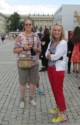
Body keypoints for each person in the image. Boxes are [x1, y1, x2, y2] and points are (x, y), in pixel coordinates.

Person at [13, 17, 41, 108]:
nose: (28, 26)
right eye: (26, 24)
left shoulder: (36, 36)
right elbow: (15, 50)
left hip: (34, 63)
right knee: (23, 82)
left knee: (32, 82)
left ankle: (31, 99)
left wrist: (37, 49)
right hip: (23, 62)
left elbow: (40, 50)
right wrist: (23, 48)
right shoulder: (20, 36)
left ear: (32, 25)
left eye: (30, 24)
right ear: (24, 26)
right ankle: (22, 100)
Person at [45, 23, 68, 123]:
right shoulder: (52, 41)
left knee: (58, 91)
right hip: (50, 68)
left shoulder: (63, 42)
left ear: (61, 31)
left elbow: (56, 56)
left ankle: (63, 114)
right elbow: (46, 53)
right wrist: (49, 55)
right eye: (55, 30)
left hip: (58, 69)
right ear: (52, 31)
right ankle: (58, 106)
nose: (56, 32)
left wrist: (50, 55)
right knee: (54, 89)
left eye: (58, 30)